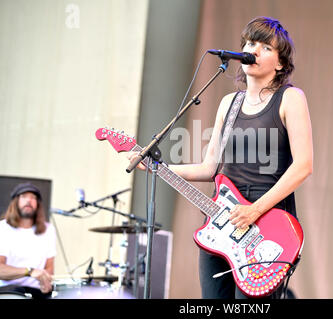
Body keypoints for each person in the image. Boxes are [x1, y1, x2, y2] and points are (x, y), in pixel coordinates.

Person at [129, 16, 313, 299]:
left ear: (280, 63)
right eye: (250, 43)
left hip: (267, 220)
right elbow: (210, 167)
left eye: (265, 46)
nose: (253, 49)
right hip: (222, 219)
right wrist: (157, 168)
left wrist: (255, 210)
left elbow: (303, 166)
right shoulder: (230, 103)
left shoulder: (290, 98)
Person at [0, 182, 56, 299]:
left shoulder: (49, 230)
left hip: (37, 292)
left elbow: (49, 267)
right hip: (10, 291)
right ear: (15, 201)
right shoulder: (3, 228)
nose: (29, 200)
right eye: (24, 196)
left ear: (38, 204)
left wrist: (45, 281)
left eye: (33, 197)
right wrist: (29, 271)